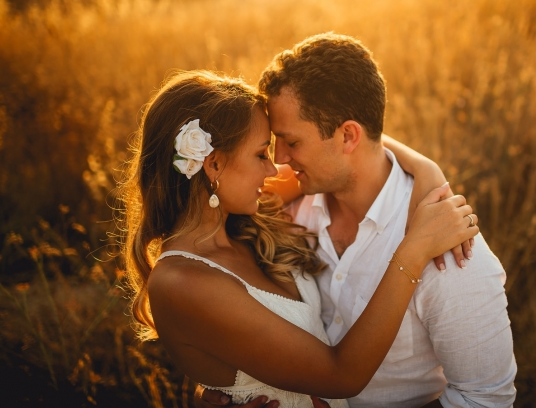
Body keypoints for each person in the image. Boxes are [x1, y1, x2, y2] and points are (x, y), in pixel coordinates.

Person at [120, 70, 479, 408]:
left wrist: (426, 170)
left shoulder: (245, 219)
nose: (274, 168)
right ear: (212, 165)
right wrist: (413, 251)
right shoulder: (181, 281)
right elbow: (342, 375)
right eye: (262, 153)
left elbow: (350, 146)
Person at [198, 33, 517, 408]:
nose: (279, 159)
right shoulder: (285, 207)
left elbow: (484, 400)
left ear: (348, 135)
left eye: (292, 142)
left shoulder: (452, 253)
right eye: (273, 144)